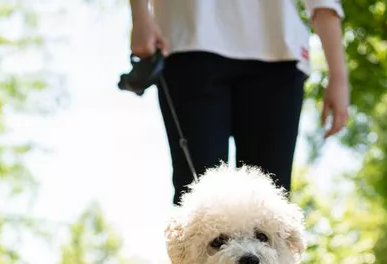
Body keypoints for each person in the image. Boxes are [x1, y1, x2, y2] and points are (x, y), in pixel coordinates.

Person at [128, 0, 350, 205]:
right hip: (187, 42)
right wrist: (141, 17)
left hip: (277, 52)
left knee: (270, 205)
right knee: (199, 200)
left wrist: (338, 75)